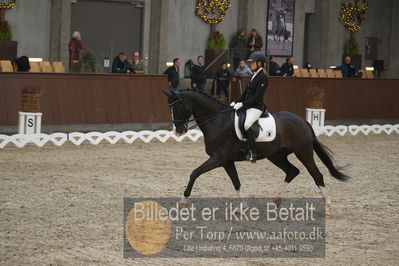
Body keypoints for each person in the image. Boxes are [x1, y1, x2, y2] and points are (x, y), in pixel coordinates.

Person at [230, 51, 268, 163]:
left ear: (260, 63)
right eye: (250, 63)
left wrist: (242, 104)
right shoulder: (252, 76)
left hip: (256, 107)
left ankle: (253, 152)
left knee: (246, 124)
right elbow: (245, 94)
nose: (250, 64)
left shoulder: (263, 77)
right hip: (247, 105)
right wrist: (235, 101)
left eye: (253, 63)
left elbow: (257, 97)